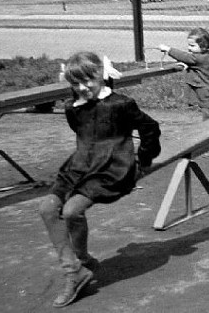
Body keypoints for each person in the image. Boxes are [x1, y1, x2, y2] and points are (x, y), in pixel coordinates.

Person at [39, 52, 160, 308]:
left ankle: (75, 270)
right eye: (75, 84)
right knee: (48, 208)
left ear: (101, 76)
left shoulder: (121, 104)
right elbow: (81, 132)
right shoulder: (73, 108)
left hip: (113, 167)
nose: (82, 88)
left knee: (72, 211)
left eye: (88, 81)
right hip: (79, 165)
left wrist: (143, 161)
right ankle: (78, 266)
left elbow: (150, 128)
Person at [158, 28, 209, 157]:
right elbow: (190, 61)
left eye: (192, 46)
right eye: (189, 45)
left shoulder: (201, 58)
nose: (189, 48)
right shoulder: (201, 57)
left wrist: (168, 49)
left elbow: (186, 57)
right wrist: (186, 65)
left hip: (208, 95)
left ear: (204, 46)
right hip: (207, 94)